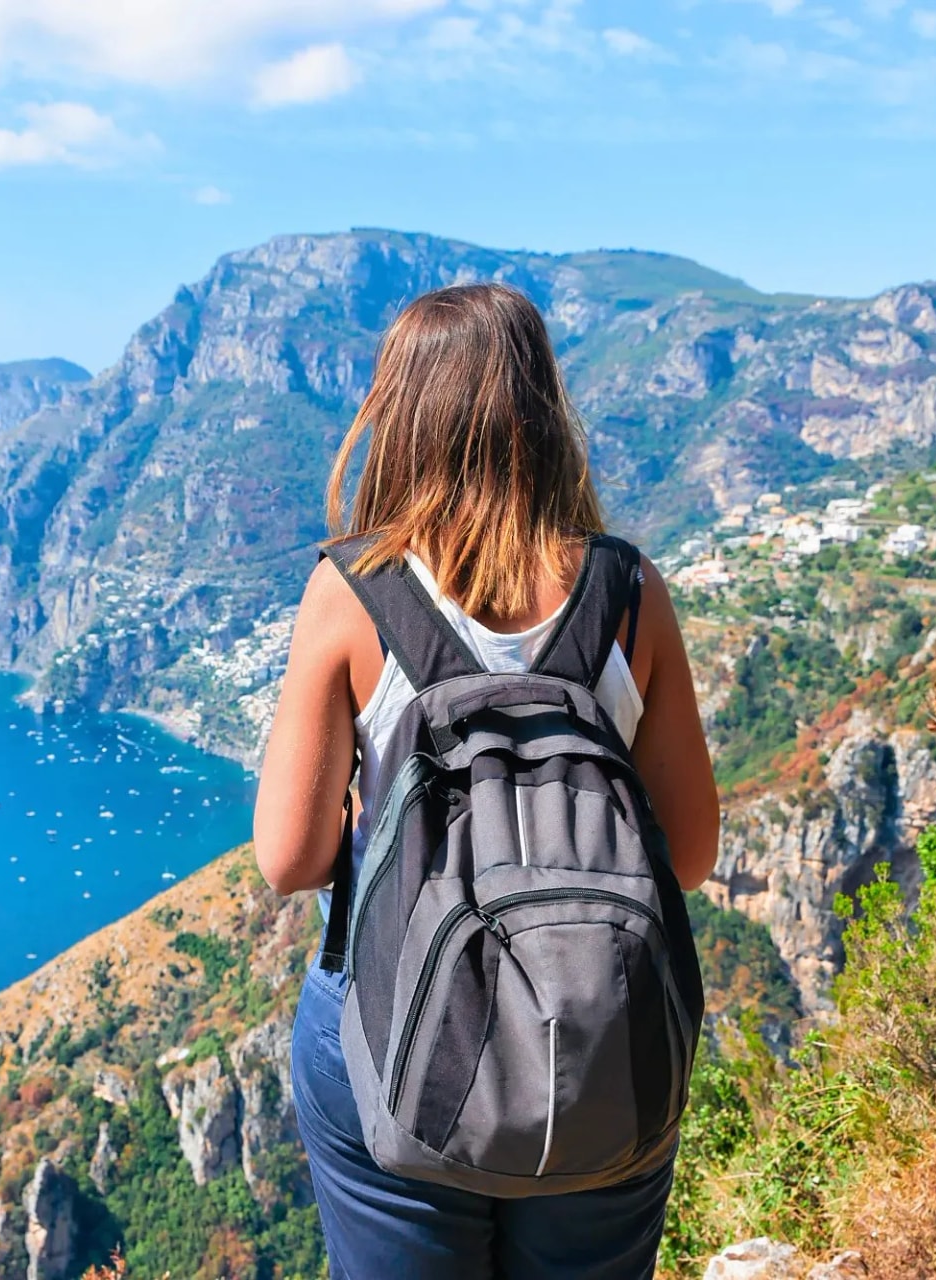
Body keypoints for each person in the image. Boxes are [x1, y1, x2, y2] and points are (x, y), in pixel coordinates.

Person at [253, 282, 720, 1279]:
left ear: (398, 415)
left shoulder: (353, 590)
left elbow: (289, 859)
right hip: (601, 1030)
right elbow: (689, 851)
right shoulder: (628, 590)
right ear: (542, 408)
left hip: (393, 1019)